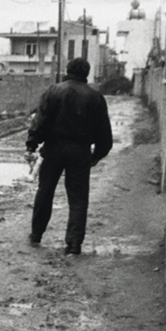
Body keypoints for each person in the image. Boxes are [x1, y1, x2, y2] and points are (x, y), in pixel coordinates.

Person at [25, 57, 113, 255]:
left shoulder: (53, 91)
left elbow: (41, 121)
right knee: (78, 198)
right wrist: (97, 154)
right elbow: (104, 131)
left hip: (53, 148)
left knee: (45, 192)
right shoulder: (96, 97)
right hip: (80, 151)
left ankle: (36, 235)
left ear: (67, 70)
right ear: (87, 73)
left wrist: (32, 144)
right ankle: (74, 244)